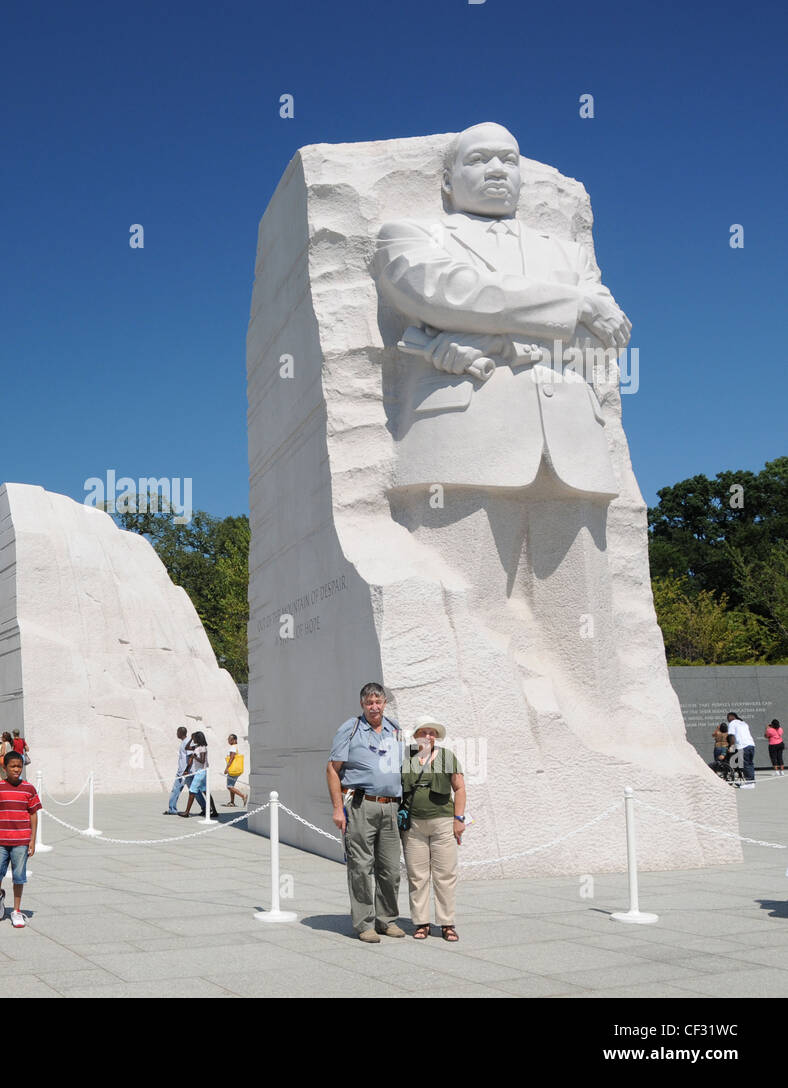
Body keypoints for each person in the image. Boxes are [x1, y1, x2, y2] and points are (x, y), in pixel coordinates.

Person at [374, 123, 631, 681]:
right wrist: (569, 309)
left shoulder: (569, 255)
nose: (497, 169)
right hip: (465, 440)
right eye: (480, 159)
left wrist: (485, 337)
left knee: (584, 633)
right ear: (446, 181)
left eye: (508, 160)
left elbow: (604, 339)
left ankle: (595, 745)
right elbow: (439, 292)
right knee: (469, 617)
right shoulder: (409, 235)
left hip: (572, 442)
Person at [327, 682, 406, 943]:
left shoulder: (395, 729)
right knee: (361, 867)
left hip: (391, 805)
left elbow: (401, 765)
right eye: (369, 702)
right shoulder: (349, 729)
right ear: (362, 704)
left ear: (384, 703)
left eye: (378, 702)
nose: (374, 707)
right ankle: (364, 924)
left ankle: (387, 920)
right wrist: (338, 808)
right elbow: (332, 769)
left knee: (391, 869)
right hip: (362, 805)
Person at [400, 717, 466, 941]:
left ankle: (447, 923)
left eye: (432, 732)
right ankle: (421, 922)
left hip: (443, 823)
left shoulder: (447, 757)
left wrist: (459, 819)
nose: (427, 736)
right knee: (417, 876)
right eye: (423, 732)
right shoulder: (406, 756)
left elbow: (459, 788)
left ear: (436, 736)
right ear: (416, 734)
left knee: (445, 874)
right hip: (413, 825)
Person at [0, 750, 39, 929]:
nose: (17, 769)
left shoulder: (29, 789)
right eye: (13, 766)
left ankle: (16, 910)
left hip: (21, 840)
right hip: (1, 839)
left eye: (19, 766)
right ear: (4, 767)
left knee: (19, 876)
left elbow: (33, 814)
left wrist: (32, 839)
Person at [163, 726, 190, 814]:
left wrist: (186, 770)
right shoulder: (184, 742)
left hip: (185, 772)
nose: (176, 734)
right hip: (182, 771)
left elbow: (190, 757)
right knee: (177, 790)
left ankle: (205, 808)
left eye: (177, 732)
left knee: (194, 792)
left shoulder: (187, 743)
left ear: (181, 733)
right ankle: (172, 809)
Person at [727, 712, 756, 789]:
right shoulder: (744, 723)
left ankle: (749, 783)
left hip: (742, 746)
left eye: (728, 718)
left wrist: (732, 747)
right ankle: (751, 782)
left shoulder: (732, 723)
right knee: (750, 764)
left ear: (731, 717)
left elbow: (731, 735)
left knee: (744, 764)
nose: (727, 720)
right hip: (751, 744)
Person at [223, 733, 247, 807]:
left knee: (229, 787)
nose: (229, 740)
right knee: (232, 786)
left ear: (234, 740)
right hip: (237, 770)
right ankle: (232, 802)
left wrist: (226, 768)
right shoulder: (235, 747)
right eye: (228, 739)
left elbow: (231, 758)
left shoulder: (233, 747)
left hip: (233, 770)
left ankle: (243, 796)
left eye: (230, 739)